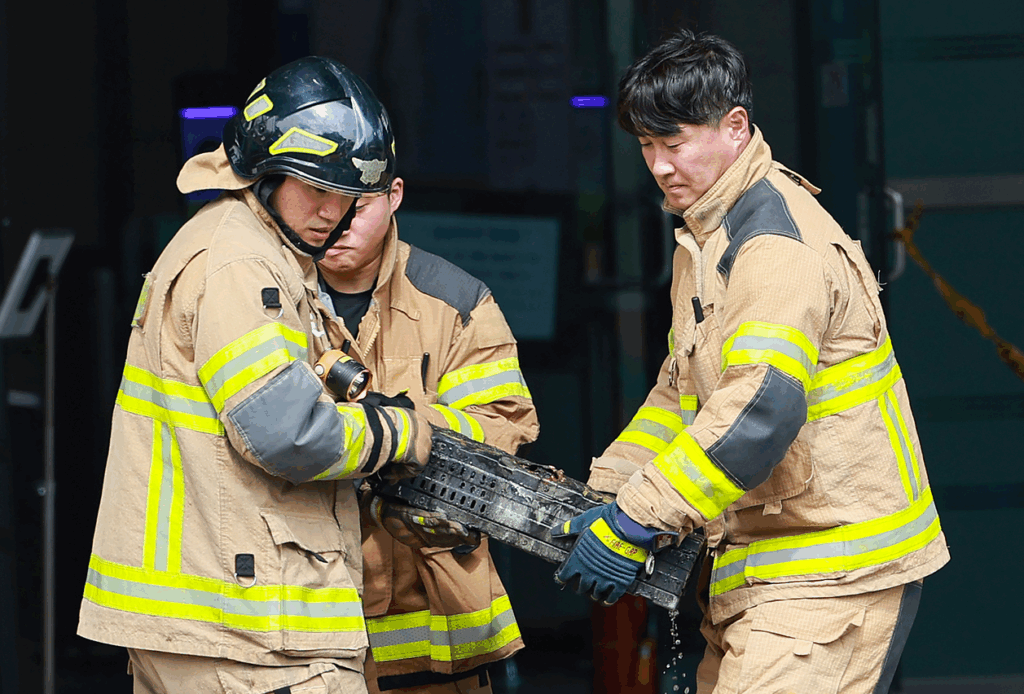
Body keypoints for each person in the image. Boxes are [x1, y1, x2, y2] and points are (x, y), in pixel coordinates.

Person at [553, 30, 949, 694]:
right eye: (646, 147)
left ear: (734, 127)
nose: (658, 165)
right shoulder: (712, 235)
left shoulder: (773, 248)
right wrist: (608, 493)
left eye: (673, 143)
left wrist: (637, 519)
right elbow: (685, 395)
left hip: (831, 577)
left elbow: (759, 412)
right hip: (776, 576)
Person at [77, 57, 436, 694]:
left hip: (216, 623)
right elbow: (286, 433)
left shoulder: (246, 245)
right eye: (315, 188)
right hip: (247, 633)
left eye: (348, 195)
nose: (335, 212)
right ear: (263, 169)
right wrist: (397, 433)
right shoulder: (240, 262)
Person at [313, 147, 539, 692]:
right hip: (305, 607)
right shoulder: (265, 294)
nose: (337, 222)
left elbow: (503, 431)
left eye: (357, 204)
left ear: (394, 197)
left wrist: (400, 429)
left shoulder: (456, 302)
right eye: (323, 199)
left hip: (435, 617)